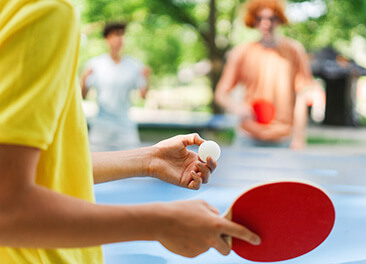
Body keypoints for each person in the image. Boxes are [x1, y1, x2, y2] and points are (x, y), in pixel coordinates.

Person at [0, 0, 260, 263]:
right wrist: (162, 223)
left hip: (123, 131)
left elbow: (42, 171)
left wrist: (150, 159)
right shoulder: (46, 12)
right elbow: (6, 207)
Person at [215, 0, 315, 149]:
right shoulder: (241, 53)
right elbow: (221, 93)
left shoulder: (294, 51)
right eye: (259, 18)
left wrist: (299, 138)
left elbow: (302, 96)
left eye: (271, 18)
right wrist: (236, 107)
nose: (266, 23)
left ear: (280, 19)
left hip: (283, 140)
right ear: (253, 21)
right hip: (248, 138)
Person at [80, 22, 149, 151]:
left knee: (130, 167)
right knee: (98, 167)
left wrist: (147, 79)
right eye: (116, 35)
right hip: (101, 128)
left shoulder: (135, 65)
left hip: (125, 128)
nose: (120, 39)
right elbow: (83, 95)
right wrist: (83, 79)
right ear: (107, 39)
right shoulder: (95, 64)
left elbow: (143, 95)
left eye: (122, 35)